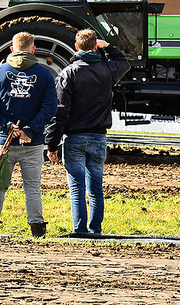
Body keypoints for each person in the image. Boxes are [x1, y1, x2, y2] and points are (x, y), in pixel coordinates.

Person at [45, 29, 130, 234]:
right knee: (96, 188)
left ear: (76, 47)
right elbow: (124, 63)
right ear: (95, 46)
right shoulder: (107, 70)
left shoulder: (69, 73)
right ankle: (96, 229)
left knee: (77, 188)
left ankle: (80, 229)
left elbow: (61, 111)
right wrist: (108, 47)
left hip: (75, 138)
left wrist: (52, 143)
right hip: (99, 137)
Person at [0, 32, 57, 237]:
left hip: (3, 143)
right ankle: (37, 230)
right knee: (32, 188)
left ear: (12, 49)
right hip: (33, 143)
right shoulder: (45, 74)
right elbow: (50, 107)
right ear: (33, 49)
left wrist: (7, 127)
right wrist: (29, 130)